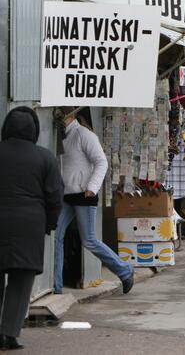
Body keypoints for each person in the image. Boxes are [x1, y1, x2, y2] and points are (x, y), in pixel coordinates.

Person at [0, 107, 63, 351]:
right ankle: (10, 334)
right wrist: (50, 224)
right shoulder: (45, 157)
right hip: (30, 225)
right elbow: (55, 197)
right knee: (21, 281)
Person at [54, 108, 134, 295]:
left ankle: (124, 270)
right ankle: (56, 286)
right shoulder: (62, 135)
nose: (58, 119)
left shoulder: (84, 134)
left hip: (84, 194)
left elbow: (101, 162)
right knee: (56, 236)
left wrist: (92, 186)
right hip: (67, 194)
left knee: (88, 240)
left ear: (71, 115)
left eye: (61, 115)